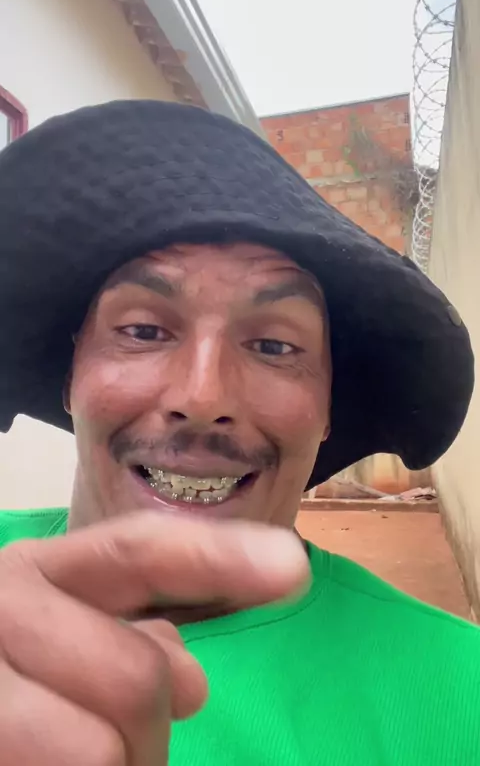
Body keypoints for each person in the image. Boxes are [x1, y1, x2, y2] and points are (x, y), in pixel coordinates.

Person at [0, 100, 478, 766]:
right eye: (144, 330)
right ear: (69, 374)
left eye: (275, 346)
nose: (203, 398)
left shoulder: (458, 698)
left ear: (328, 406)